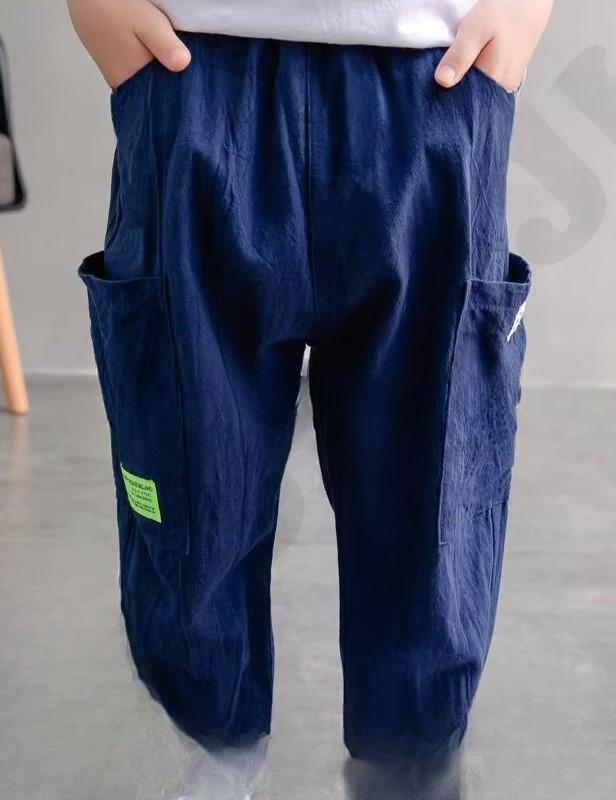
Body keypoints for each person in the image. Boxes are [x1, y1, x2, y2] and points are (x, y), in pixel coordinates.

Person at [69, 0, 552, 763]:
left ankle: (408, 769)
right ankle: (207, 758)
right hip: (194, 73)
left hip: (434, 79)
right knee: (192, 496)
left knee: (432, 510)